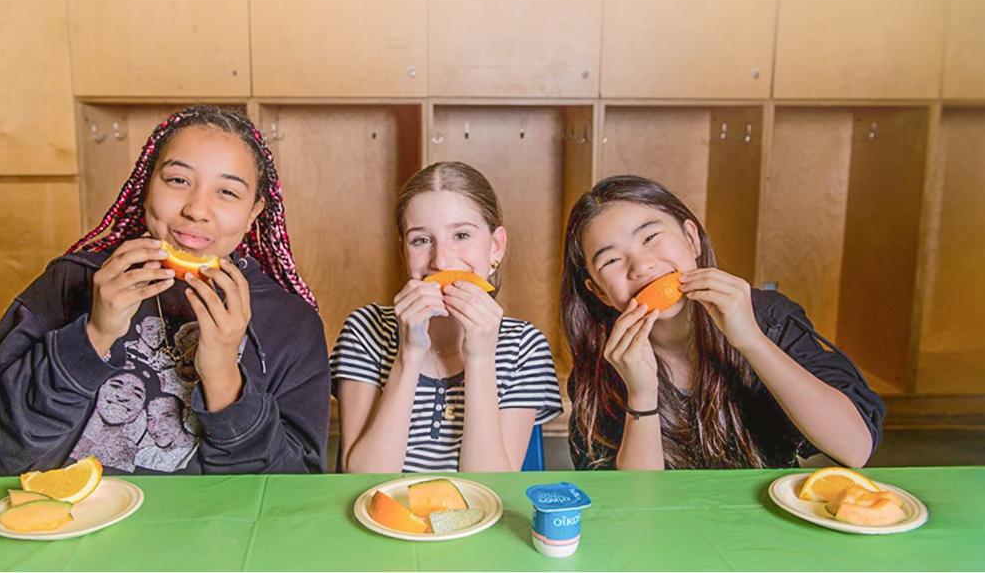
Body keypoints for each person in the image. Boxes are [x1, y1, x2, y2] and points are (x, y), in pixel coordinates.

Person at [0, 105, 329, 475]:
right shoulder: (72, 281)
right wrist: (92, 335)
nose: (197, 209)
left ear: (254, 213)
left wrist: (225, 378)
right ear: (148, 186)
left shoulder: (291, 323)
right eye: (178, 181)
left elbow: (290, 493)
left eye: (227, 192)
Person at [561, 175, 885, 470]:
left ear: (691, 238)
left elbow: (855, 449)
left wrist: (751, 341)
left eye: (650, 237)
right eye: (612, 260)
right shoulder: (600, 366)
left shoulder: (768, 319)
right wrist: (641, 394)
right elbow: (635, 507)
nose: (641, 266)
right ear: (599, 292)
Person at [331, 161, 562, 473]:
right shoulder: (365, 329)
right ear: (405, 252)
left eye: (462, 235)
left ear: (495, 247)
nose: (441, 260)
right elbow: (361, 478)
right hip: (383, 518)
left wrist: (480, 359)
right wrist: (409, 355)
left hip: (478, 519)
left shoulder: (524, 346)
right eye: (421, 240)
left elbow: (492, 487)